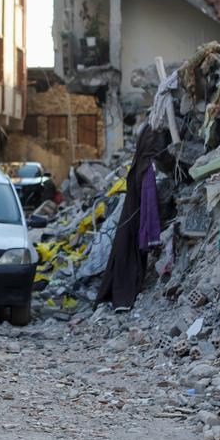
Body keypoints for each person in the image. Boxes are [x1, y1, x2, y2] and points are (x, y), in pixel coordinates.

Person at [96, 126, 174, 312]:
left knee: (126, 252)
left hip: (131, 216)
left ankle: (122, 293)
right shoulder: (147, 169)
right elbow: (150, 205)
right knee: (128, 256)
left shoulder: (141, 164)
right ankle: (123, 298)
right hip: (135, 218)